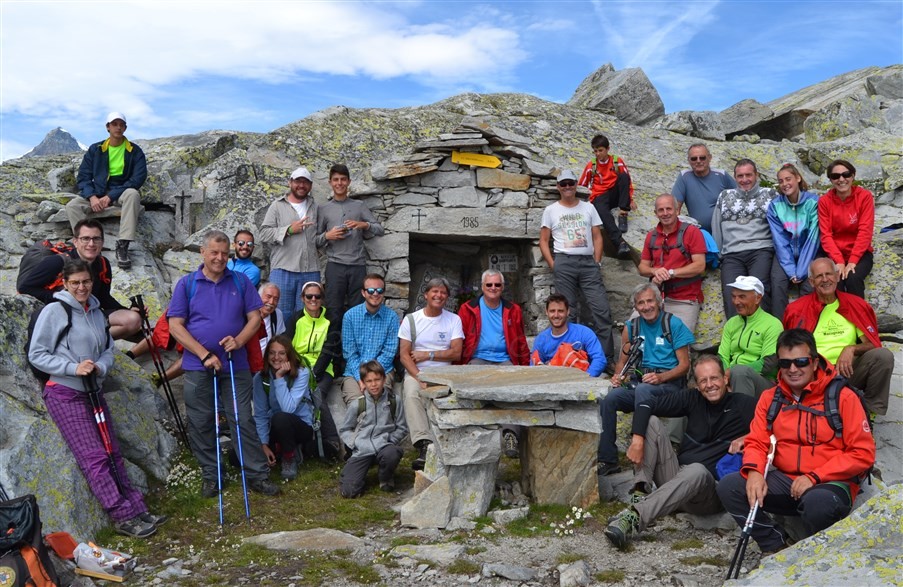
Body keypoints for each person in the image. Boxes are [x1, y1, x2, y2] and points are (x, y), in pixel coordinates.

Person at [28, 259, 165, 538]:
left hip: (93, 390)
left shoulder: (97, 312)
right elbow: (37, 354)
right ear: (65, 283)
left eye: (86, 281)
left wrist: (101, 366)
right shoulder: (55, 311)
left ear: (92, 282)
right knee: (94, 457)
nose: (81, 287)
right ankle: (122, 516)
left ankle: (138, 508)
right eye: (75, 282)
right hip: (64, 393)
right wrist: (72, 368)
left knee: (112, 452)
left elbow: (108, 348)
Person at [716, 329, 875, 554]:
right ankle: (776, 546)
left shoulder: (843, 397)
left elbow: (863, 453)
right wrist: (754, 472)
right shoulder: (770, 398)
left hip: (831, 482)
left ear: (815, 362)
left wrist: (814, 477)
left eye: (801, 362)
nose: (793, 369)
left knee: (818, 504)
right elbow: (758, 441)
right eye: (785, 363)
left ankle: (818, 556)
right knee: (730, 486)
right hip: (786, 480)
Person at [167, 230, 280, 498]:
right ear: (202, 253)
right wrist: (204, 354)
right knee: (201, 421)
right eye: (214, 252)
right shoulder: (186, 284)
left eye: (224, 253)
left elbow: (255, 318)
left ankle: (256, 475)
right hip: (198, 365)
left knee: (241, 418)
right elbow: (175, 326)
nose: (219, 258)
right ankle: (212, 474)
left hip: (234, 362)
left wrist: (239, 341)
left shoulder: (240, 281)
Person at [604, 355, 756, 549]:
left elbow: (776, 422)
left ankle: (634, 517)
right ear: (697, 385)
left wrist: (748, 437)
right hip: (676, 477)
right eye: (703, 380)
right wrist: (637, 439)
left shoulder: (743, 405)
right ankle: (640, 494)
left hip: (707, 494)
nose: (710, 385)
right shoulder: (692, 398)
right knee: (651, 422)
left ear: (725, 379)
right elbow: (645, 405)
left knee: (697, 470)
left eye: (714, 378)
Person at [597, 284, 694, 477]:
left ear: (659, 302)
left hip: (669, 386)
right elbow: (622, 362)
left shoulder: (673, 324)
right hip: (642, 383)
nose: (646, 306)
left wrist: (661, 377)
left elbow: (685, 366)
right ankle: (608, 459)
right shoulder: (631, 328)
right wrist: (618, 377)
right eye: (640, 303)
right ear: (636, 307)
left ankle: (638, 446)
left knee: (643, 390)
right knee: (609, 399)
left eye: (650, 301)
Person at [783, 258, 893, 418]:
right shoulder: (796, 309)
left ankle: (868, 413)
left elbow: (872, 344)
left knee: (883, 356)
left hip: (848, 369)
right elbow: (788, 350)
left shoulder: (856, 304)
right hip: (814, 372)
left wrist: (851, 348)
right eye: (819, 276)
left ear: (837, 276)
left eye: (829, 274)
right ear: (811, 282)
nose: (825, 279)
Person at [18, 218, 141, 340]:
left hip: (89, 314)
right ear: (75, 242)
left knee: (133, 320)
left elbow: (103, 297)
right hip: (61, 315)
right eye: (85, 238)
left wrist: (126, 310)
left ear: (102, 242)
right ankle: (86, 341)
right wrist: (58, 296)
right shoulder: (56, 262)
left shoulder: (102, 264)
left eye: (96, 239)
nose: (91, 244)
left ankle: (93, 342)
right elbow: (25, 288)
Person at [539, 169, 615, 363]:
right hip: (564, 262)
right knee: (567, 312)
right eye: (563, 184)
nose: (567, 187)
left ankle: (605, 359)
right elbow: (543, 241)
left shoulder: (588, 207)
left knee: (601, 310)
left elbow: (597, 236)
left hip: (588, 263)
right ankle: (570, 358)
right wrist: (554, 264)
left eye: (570, 183)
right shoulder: (551, 210)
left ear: (576, 185)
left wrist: (597, 261)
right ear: (558, 187)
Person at [458, 268, 530, 457]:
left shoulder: (513, 310)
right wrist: (457, 367)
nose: (493, 288)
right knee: (471, 389)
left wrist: (525, 369)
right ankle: (473, 434)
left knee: (514, 390)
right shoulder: (467, 309)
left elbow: (520, 341)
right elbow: (460, 339)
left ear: (503, 287)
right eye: (489, 284)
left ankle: (510, 435)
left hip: (505, 360)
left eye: (497, 284)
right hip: (477, 359)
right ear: (482, 286)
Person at [398, 277, 464, 471]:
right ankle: (424, 445)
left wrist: (428, 354)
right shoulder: (412, 320)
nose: (439, 295)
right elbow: (404, 355)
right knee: (412, 393)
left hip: (444, 373)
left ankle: (449, 441)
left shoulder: (453, 320)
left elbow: (456, 352)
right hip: (417, 372)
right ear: (426, 294)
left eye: (443, 292)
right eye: (435, 291)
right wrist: (419, 377)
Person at [66, 112, 145, 270]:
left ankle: (123, 245)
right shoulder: (96, 149)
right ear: (108, 127)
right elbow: (83, 177)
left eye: (121, 125)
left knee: (133, 194)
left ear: (125, 128)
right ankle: (85, 245)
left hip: (120, 192)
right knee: (72, 206)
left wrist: (110, 196)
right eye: (114, 124)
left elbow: (137, 179)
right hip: (97, 192)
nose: (118, 127)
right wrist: (92, 197)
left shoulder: (134, 151)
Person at [316, 164, 385, 324]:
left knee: (358, 309)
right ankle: (333, 340)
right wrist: (328, 235)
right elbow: (315, 241)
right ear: (330, 182)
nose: (339, 183)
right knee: (333, 308)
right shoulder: (324, 209)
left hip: (357, 266)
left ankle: (355, 339)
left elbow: (380, 229)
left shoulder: (359, 206)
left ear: (349, 182)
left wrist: (364, 225)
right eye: (336, 180)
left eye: (343, 179)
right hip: (335, 266)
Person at [711, 159, 778, 317]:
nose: (745, 179)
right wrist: (719, 255)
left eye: (749, 175)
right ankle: (735, 331)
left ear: (756, 175)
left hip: (760, 250)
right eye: (740, 176)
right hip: (732, 254)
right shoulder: (724, 196)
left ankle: (763, 329)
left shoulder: (770, 195)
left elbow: (779, 227)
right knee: (731, 294)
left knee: (759, 290)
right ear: (735, 177)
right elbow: (716, 226)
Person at [284, 281, 343, 460]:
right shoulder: (295, 319)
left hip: (323, 368)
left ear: (322, 299)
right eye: (309, 296)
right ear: (302, 298)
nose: (313, 299)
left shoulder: (331, 319)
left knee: (316, 395)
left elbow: (329, 349)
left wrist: (314, 374)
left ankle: (332, 440)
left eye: (317, 296)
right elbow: (287, 346)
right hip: (298, 367)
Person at [637, 193, 707, 332]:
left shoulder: (692, 232)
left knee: (679, 338)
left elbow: (700, 265)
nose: (665, 213)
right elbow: (642, 267)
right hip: (654, 298)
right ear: (655, 213)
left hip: (685, 299)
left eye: (668, 209)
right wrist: (655, 271)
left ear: (677, 210)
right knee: (632, 331)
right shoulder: (652, 236)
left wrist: (671, 273)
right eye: (661, 210)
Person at [259, 166, 321, 319]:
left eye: (305, 182)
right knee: (280, 315)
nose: (301, 185)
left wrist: (329, 236)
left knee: (307, 316)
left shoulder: (316, 208)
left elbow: (316, 240)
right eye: (298, 181)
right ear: (290, 183)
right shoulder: (277, 206)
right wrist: (288, 230)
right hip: (283, 269)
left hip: (310, 270)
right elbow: (264, 234)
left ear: (310, 185)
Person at [339, 361, 408, 497]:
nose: (374, 384)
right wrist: (355, 443)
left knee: (392, 453)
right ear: (363, 383)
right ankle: (356, 475)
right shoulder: (358, 404)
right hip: (362, 450)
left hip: (384, 447)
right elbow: (345, 429)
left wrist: (390, 440)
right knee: (349, 492)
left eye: (377, 379)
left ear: (384, 379)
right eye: (369, 381)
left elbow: (402, 427)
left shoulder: (394, 401)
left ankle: (385, 477)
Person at [252, 336, 315, 481]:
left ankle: (289, 457)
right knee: (236, 457)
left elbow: (288, 409)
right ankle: (277, 449)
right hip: (273, 425)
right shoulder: (260, 378)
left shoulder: (302, 373)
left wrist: (279, 377)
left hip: (300, 426)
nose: (276, 357)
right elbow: (260, 414)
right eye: (272, 353)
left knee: (281, 417)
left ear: (289, 355)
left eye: (281, 353)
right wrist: (264, 444)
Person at [766, 163, 820, 318]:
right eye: (781, 181)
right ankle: (779, 326)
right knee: (777, 282)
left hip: (810, 252)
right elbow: (779, 240)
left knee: (809, 285)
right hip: (785, 253)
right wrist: (791, 271)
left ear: (798, 178)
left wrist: (801, 272)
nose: (785, 184)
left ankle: (805, 325)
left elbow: (813, 238)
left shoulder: (814, 202)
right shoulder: (775, 206)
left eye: (788, 179)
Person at [718, 276, 783, 399]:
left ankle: (742, 411)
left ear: (758, 298)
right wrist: (725, 376)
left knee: (740, 372)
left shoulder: (773, 324)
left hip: (763, 381)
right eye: (733, 296)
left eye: (742, 297)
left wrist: (732, 372)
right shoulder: (731, 323)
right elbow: (722, 356)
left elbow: (768, 363)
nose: (736, 302)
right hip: (731, 376)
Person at [818, 159, 875, 298]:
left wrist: (853, 261)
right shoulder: (825, 201)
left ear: (853, 176)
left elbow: (865, 231)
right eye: (835, 176)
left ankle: (858, 312)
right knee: (834, 281)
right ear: (830, 179)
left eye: (846, 174)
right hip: (834, 253)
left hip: (860, 253)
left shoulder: (864, 197)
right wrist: (838, 261)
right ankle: (838, 312)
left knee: (853, 278)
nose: (841, 179)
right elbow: (826, 235)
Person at [341, 274, 399, 405]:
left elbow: (389, 352)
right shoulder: (350, 316)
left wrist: (372, 377)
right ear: (363, 293)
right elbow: (349, 353)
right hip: (354, 372)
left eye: (379, 290)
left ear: (383, 293)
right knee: (358, 406)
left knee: (380, 405)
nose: (375, 294)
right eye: (371, 290)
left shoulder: (391, 317)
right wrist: (361, 379)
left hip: (382, 371)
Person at [577, 134, 634, 256]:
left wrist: (630, 198)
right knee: (603, 213)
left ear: (608, 149)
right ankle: (620, 243)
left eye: (600, 150)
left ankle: (623, 213)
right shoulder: (591, 166)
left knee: (623, 176)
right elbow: (581, 185)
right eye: (595, 151)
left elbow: (627, 181)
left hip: (614, 194)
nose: (598, 154)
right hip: (599, 196)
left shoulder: (617, 162)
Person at [531, 293, 607, 377]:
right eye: (552, 311)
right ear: (546, 312)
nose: (556, 315)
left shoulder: (584, 333)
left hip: (581, 379)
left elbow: (599, 359)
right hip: (552, 380)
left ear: (568, 312)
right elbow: (534, 367)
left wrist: (587, 378)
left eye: (560, 311)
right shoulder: (541, 339)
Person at [671, 143, 736, 233]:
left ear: (710, 158)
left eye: (702, 158)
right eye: (694, 158)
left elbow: (740, 197)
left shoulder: (722, 175)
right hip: (699, 233)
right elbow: (675, 207)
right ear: (688, 160)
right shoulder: (684, 177)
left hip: (724, 231)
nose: (698, 161)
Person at [257, 282, 285, 355]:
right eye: (268, 297)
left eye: (276, 299)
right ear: (258, 297)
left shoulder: (277, 314)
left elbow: (278, 340)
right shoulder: (248, 314)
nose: (271, 302)